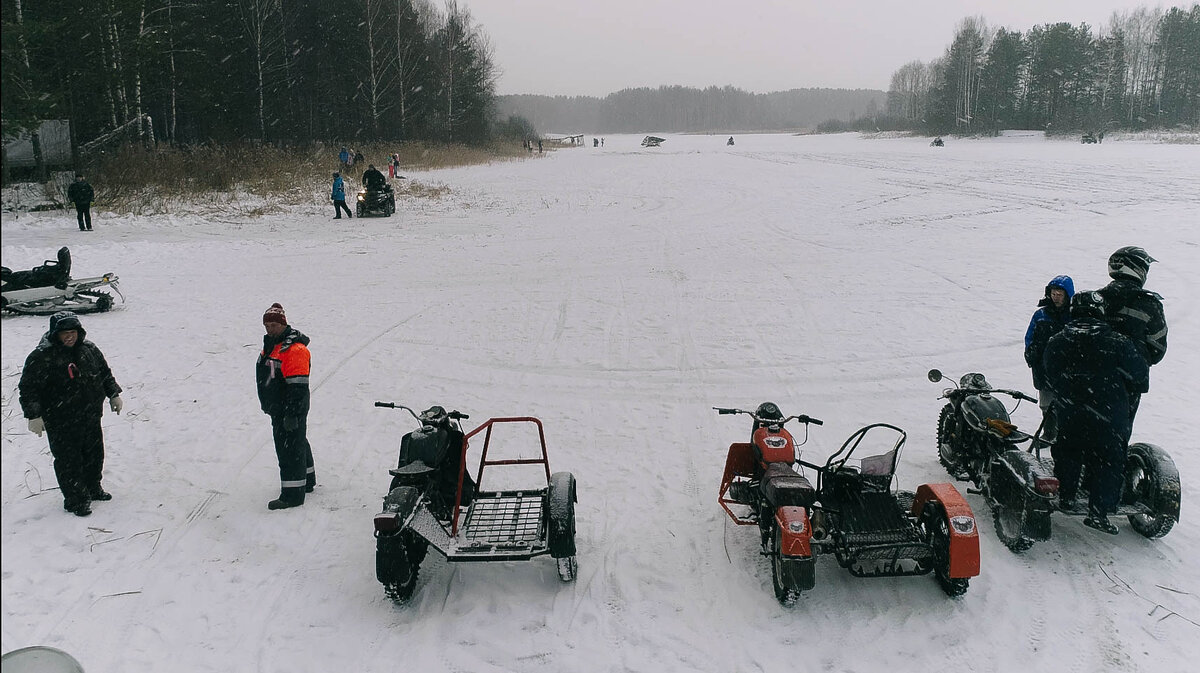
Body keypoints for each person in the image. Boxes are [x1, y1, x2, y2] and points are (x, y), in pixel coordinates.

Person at [1043, 291, 1148, 534]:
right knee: (1108, 460)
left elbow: (1049, 373)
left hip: (1071, 411)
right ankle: (1099, 511)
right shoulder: (1119, 342)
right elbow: (1140, 379)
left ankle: (1067, 496)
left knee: (1069, 452)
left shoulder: (1057, 340)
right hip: (1110, 415)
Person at [18, 311, 123, 517]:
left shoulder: (89, 350)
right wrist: (33, 416)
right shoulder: (41, 356)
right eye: (65, 333)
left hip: (90, 415)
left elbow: (104, 373)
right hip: (60, 420)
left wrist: (113, 394)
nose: (70, 337)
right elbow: (28, 388)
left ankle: (93, 488)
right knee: (69, 460)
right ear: (55, 334)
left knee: (94, 455)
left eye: (73, 332)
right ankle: (75, 499)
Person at [1097, 245, 1166, 423]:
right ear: (1138, 269)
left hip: (1090, 373)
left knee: (1085, 426)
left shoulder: (1095, 298)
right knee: (1119, 429)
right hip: (1129, 378)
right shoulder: (1149, 304)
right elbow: (1158, 348)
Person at [256, 303, 315, 510]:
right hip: (279, 408)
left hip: (289, 409)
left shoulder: (294, 350)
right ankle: (307, 480)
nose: (269, 329)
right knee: (297, 441)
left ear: (283, 324)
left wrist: (291, 414)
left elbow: (298, 388)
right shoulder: (274, 345)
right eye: (267, 325)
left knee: (289, 449)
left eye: (273, 325)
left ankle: (292, 494)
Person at [1023, 275, 1074, 445]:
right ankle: (1049, 432)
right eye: (1053, 293)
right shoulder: (1041, 315)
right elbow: (1029, 337)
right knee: (1046, 403)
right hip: (1043, 367)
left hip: (1067, 367)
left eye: (1060, 294)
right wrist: (1030, 353)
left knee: (1066, 403)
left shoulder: (1074, 315)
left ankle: (1064, 434)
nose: (1056, 297)